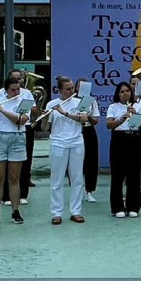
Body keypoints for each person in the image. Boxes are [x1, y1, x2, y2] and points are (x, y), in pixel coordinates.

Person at [42, 77, 87, 225]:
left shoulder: (79, 102)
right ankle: (56, 213)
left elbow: (84, 119)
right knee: (57, 179)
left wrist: (64, 113)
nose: (71, 91)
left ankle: (76, 211)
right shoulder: (52, 104)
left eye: (72, 88)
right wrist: (44, 117)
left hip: (76, 142)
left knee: (77, 179)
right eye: (67, 89)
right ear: (60, 90)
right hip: (58, 143)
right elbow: (44, 128)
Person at [0, 78, 31, 225]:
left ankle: (15, 211)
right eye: (13, 90)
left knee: (14, 178)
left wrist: (1, 110)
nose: (16, 92)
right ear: (6, 90)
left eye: (18, 89)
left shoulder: (24, 101)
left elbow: (21, 120)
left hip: (17, 138)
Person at [106, 82, 141, 218]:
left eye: (127, 91)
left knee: (133, 174)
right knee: (117, 175)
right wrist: (121, 119)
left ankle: (133, 206)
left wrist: (136, 115)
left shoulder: (138, 106)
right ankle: (117, 207)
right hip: (119, 139)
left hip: (134, 139)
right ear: (118, 94)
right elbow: (109, 124)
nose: (125, 94)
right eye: (122, 91)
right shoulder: (113, 107)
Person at [76, 78, 101, 203]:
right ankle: (77, 190)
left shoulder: (92, 101)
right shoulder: (72, 101)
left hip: (89, 131)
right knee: (77, 162)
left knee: (91, 161)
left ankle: (90, 190)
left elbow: (96, 120)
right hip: (76, 131)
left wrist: (89, 116)